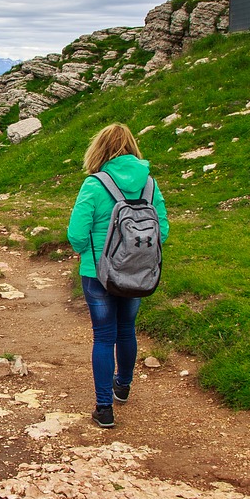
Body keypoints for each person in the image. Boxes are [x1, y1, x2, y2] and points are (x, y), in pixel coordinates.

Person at [66, 123, 168, 428]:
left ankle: (104, 408)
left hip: (98, 273)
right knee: (127, 330)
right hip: (137, 273)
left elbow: (76, 234)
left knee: (103, 336)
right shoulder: (149, 184)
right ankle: (122, 386)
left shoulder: (95, 185)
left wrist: (89, 252)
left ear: (99, 148)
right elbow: (162, 229)